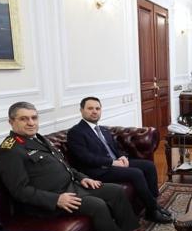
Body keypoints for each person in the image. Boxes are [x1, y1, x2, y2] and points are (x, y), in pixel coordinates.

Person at [0, 102, 152, 231]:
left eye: (34, 118)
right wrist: (56, 200)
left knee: (116, 191)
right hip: (50, 201)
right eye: (24, 119)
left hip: (72, 186)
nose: (31, 123)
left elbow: (64, 166)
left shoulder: (38, 139)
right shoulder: (9, 150)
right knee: (97, 205)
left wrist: (82, 177)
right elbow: (19, 191)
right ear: (11, 122)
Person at [66, 96, 172, 224]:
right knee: (136, 173)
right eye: (90, 108)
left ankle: (153, 203)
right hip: (99, 170)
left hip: (115, 163)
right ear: (81, 110)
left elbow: (115, 147)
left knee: (149, 166)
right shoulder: (76, 132)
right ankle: (152, 210)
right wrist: (112, 162)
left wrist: (122, 156)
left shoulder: (103, 129)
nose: (94, 111)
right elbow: (85, 157)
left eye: (97, 108)